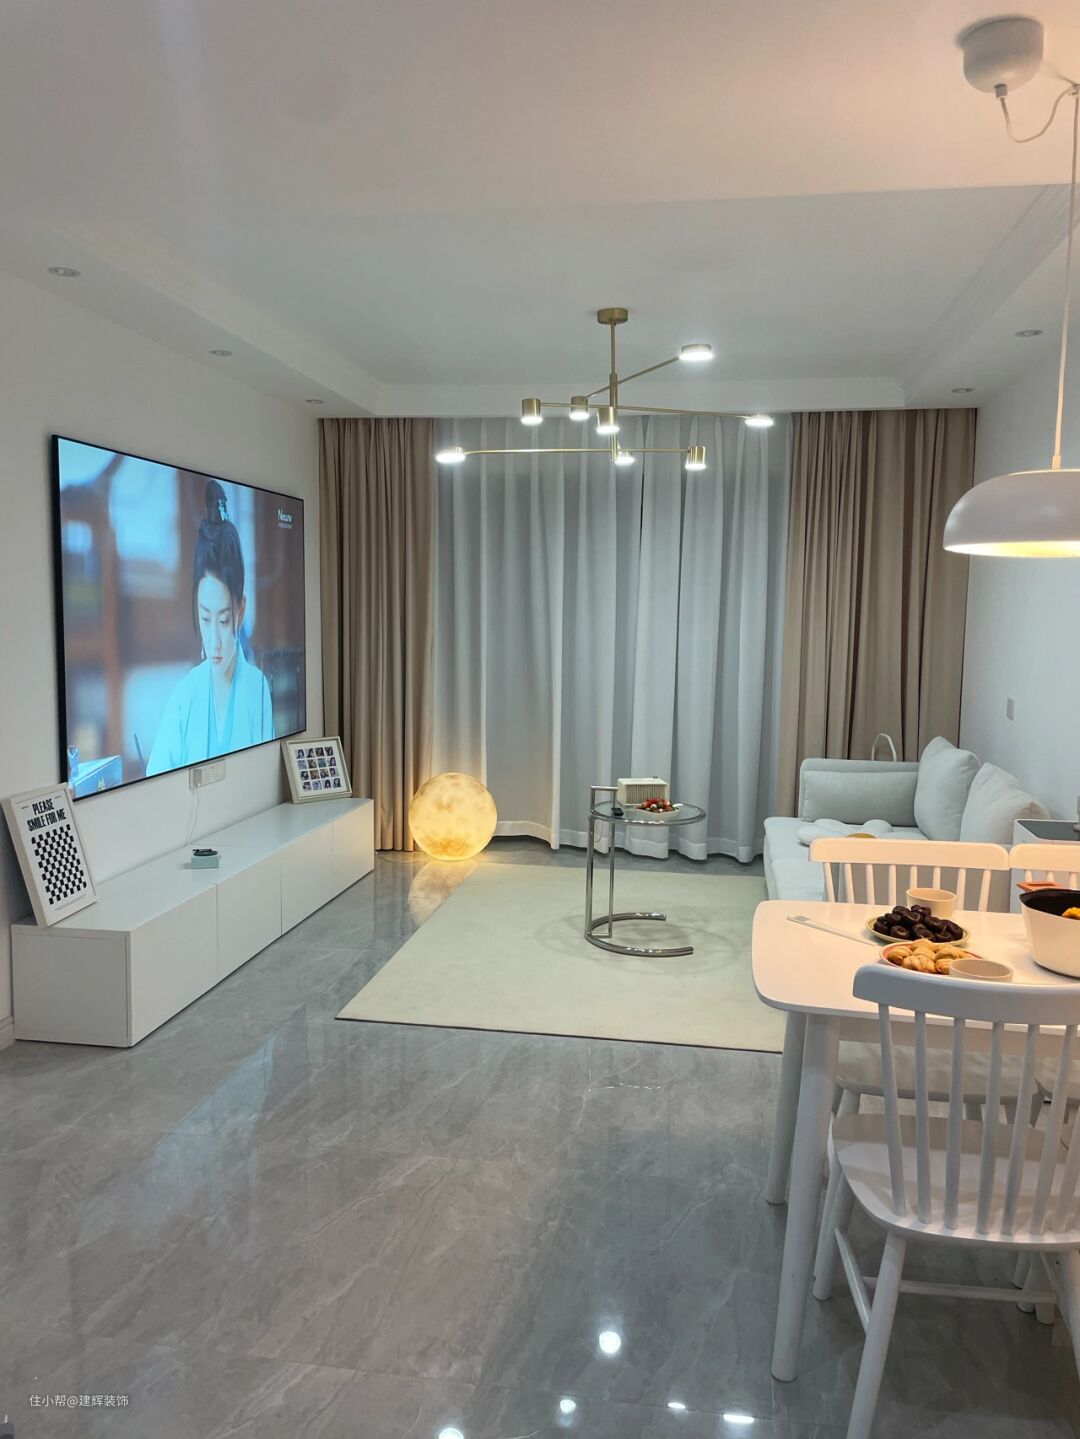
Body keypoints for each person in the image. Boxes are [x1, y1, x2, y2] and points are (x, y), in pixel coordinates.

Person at [146, 479, 273, 776]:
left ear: (241, 610)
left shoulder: (257, 689)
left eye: (224, 620)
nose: (214, 640)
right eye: (205, 619)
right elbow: (156, 778)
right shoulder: (184, 695)